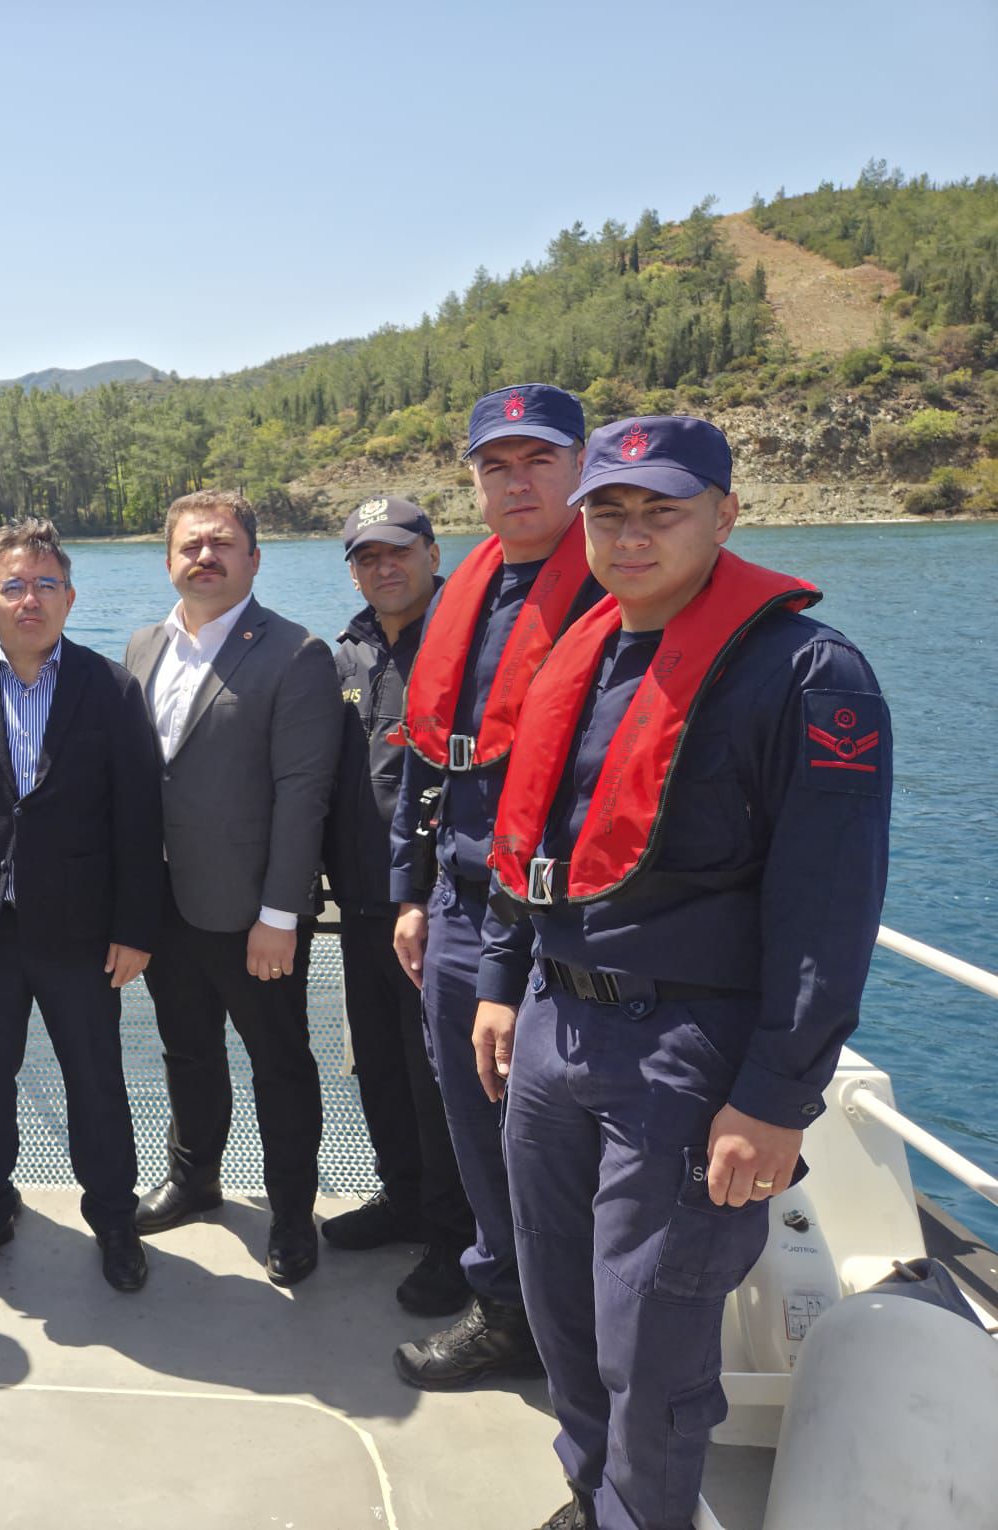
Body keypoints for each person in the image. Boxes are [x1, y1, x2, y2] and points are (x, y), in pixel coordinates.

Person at [473, 416, 891, 1530]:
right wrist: (504, 981)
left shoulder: (807, 675)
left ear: (725, 514)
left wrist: (776, 1094)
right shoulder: (585, 650)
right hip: (558, 1032)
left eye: (664, 509)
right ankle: (589, 1491)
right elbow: (536, 849)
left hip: (685, 1056)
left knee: (649, 1338)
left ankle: (640, 1514)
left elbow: (829, 910)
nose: (633, 533)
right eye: (610, 511)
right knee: (562, 1306)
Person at [389, 383, 605, 1390]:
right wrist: (408, 891)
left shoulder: (616, 596)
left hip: (558, 920)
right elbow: (430, 757)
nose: (516, 483)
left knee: (549, 1134)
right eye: (495, 465)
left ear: (581, 465)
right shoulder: (467, 595)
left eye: (539, 461)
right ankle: (507, 1309)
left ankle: (579, 1337)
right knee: (473, 1119)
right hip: (458, 899)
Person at [0, 517, 162, 1292]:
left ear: (70, 598)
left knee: (96, 1083)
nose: (30, 599)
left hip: (80, 933)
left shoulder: (110, 689)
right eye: (15, 585)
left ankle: (113, 1219)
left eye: (46, 584)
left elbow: (139, 820)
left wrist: (134, 926)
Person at [121, 489, 338, 1286]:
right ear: (168, 558)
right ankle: (194, 1177)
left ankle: (290, 1216)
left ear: (254, 558)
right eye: (189, 545)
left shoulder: (294, 652)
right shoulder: (143, 645)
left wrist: (280, 914)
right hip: (166, 905)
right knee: (187, 1051)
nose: (204, 556)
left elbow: (302, 794)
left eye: (222, 543)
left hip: (254, 914)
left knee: (279, 1064)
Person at [321, 496, 475, 1318]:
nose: (384, 567)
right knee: (380, 1066)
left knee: (439, 1080)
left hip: (443, 910)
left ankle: (456, 1240)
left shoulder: (470, 639)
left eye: (398, 551)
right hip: (361, 904)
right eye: (366, 555)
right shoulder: (346, 654)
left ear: (431, 551)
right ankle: (403, 1198)